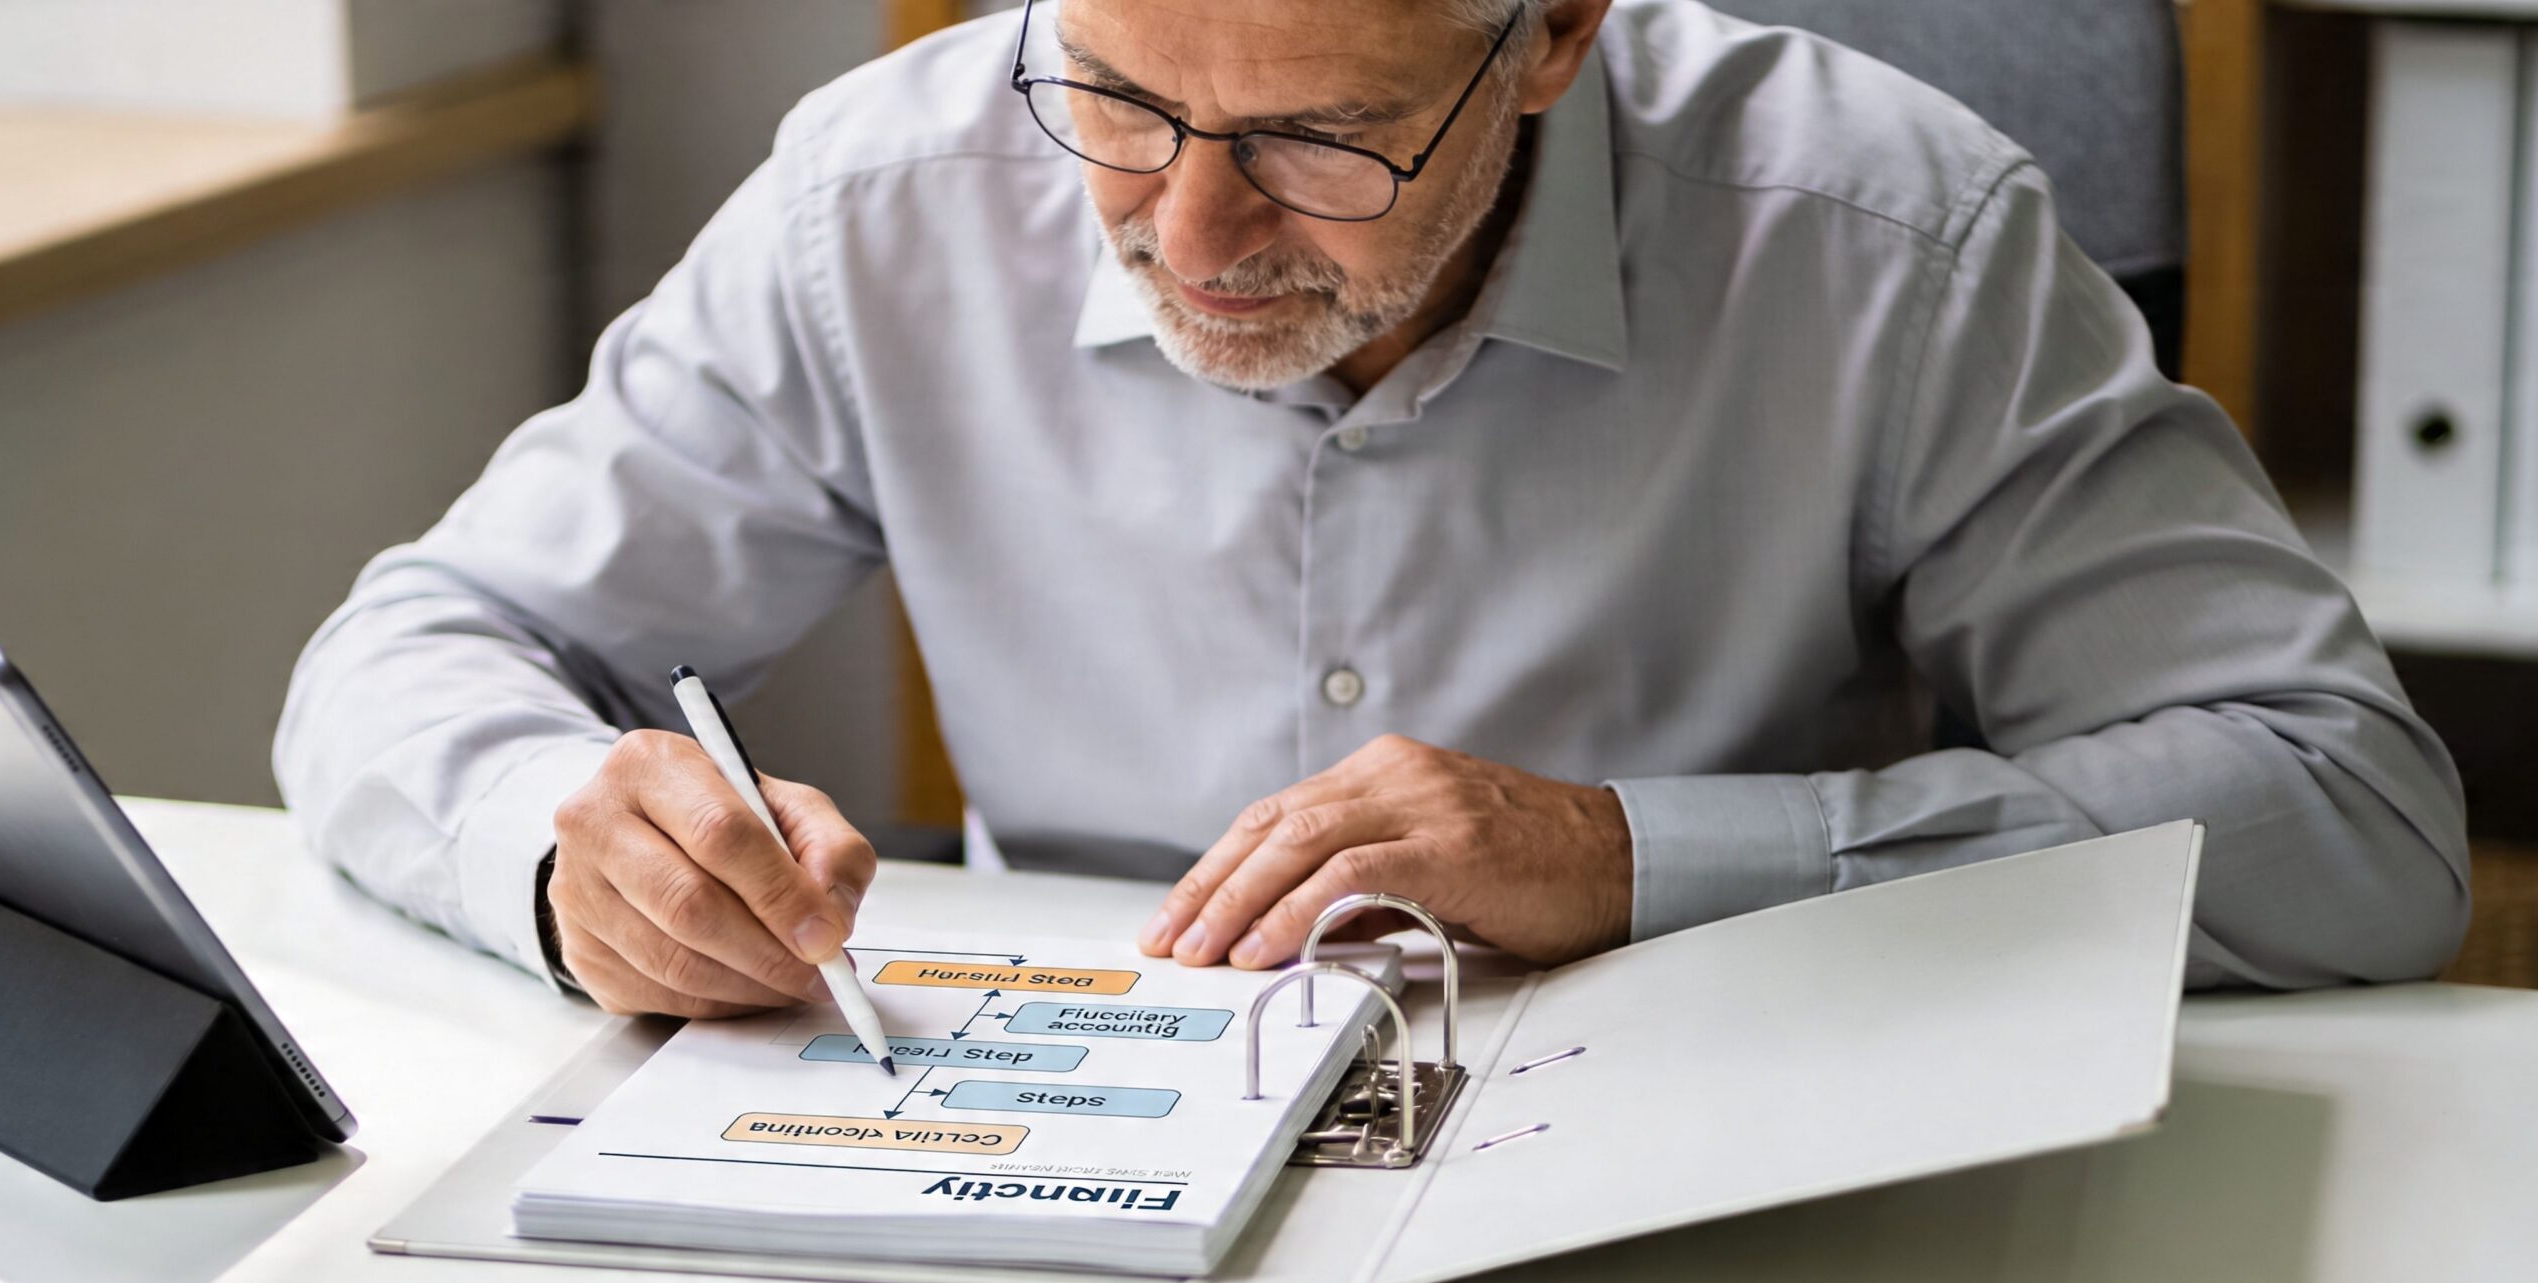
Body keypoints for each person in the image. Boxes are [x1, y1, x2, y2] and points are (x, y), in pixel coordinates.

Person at [276, 0, 2471, 1017]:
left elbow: (2344, 821)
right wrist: (569, 861)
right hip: (1058, 1174)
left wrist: (1629, 856)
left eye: (1323, 136)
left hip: (1708, 1128)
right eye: (1119, 105)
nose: (1192, 229)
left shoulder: (1879, 233)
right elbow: (412, 651)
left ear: (1547, 42)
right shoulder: (885, 195)